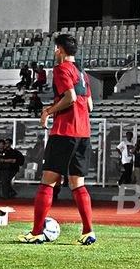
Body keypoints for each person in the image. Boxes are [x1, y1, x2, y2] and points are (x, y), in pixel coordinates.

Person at [18, 34, 96, 245]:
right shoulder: (83, 73)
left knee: (48, 182)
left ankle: (35, 233)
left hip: (64, 133)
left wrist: (48, 111)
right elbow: (89, 106)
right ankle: (88, 232)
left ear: (59, 50)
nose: (54, 52)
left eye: (55, 49)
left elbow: (69, 97)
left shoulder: (61, 70)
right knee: (77, 184)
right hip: (84, 134)